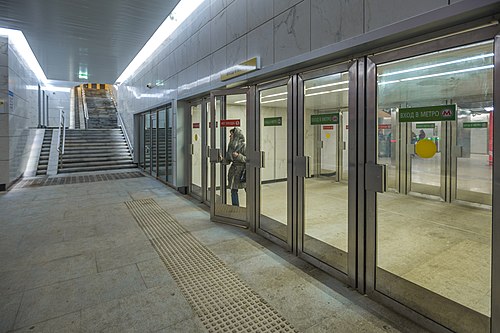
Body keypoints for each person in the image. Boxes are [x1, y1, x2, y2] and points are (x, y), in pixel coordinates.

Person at [222, 127, 246, 206]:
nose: (230, 136)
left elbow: (248, 159)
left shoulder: (244, 146)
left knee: (248, 189)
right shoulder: (230, 147)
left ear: (236, 136)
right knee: (233, 190)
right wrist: (222, 159)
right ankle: (236, 207)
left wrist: (239, 156)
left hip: (243, 171)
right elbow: (228, 160)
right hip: (233, 172)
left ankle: (252, 207)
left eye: (231, 134)